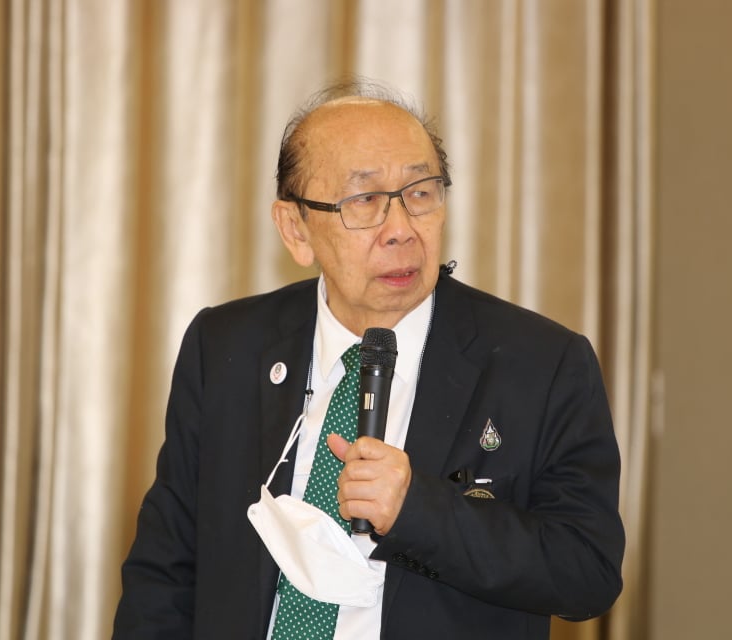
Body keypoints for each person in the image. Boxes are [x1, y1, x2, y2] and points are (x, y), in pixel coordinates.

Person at [113, 80, 624, 639]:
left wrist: (418, 510)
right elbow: (164, 573)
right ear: (296, 229)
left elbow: (587, 572)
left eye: (420, 193)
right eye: (364, 201)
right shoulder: (227, 346)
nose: (401, 230)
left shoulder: (540, 364)